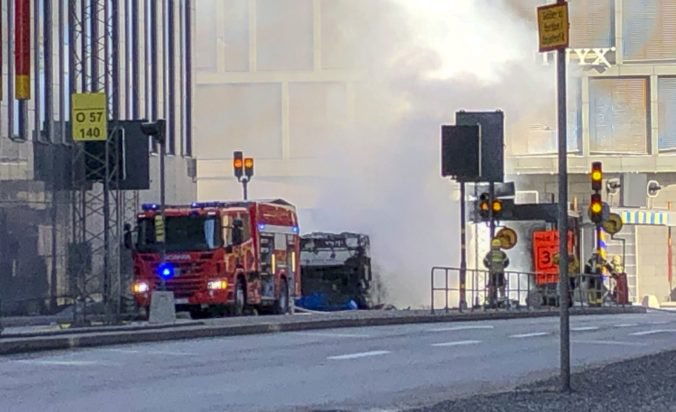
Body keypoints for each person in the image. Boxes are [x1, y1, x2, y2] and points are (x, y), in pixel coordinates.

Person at [483, 238, 509, 307]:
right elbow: (507, 262)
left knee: (492, 285)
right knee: (501, 285)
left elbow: (485, 261)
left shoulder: (490, 253)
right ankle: (502, 297)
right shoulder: (502, 253)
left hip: (492, 272)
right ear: (499, 246)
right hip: (500, 272)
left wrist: (489, 266)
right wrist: (502, 267)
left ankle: (490, 298)